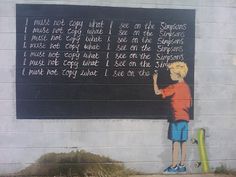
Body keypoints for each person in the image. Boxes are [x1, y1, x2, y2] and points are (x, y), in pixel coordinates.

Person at [152, 61, 192, 174]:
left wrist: (154, 80)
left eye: (171, 73)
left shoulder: (174, 87)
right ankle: (182, 166)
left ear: (177, 74)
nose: (170, 75)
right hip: (185, 119)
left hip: (176, 119)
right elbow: (189, 104)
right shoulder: (187, 87)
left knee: (175, 143)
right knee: (183, 142)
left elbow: (157, 92)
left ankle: (173, 167)